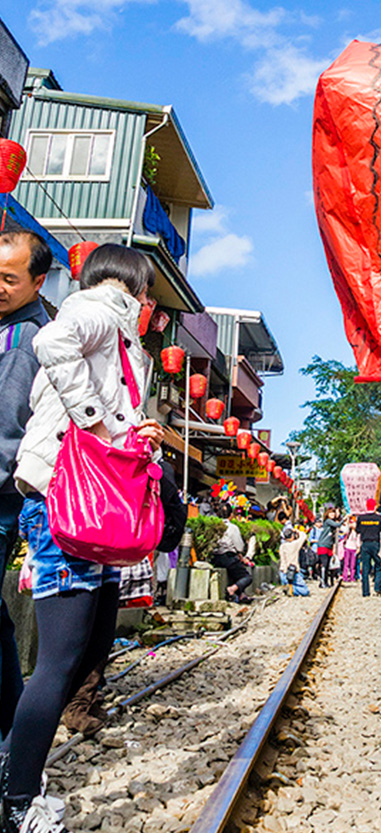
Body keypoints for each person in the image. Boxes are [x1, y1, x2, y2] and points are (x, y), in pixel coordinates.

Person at [0, 244, 165, 833]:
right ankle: (18, 805)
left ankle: (17, 780)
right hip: (63, 509)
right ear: (131, 287)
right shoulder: (100, 308)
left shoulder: (116, 335)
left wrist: (129, 426)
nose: (149, 307)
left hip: (75, 510)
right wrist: (103, 420)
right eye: (148, 295)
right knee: (57, 663)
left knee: (66, 660)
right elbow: (51, 344)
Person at [0, 231, 51, 742]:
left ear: (38, 282)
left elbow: (6, 430)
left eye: (9, 279)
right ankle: (12, 730)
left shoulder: (22, 342)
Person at [212, 503, 254, 603]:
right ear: (231, 515)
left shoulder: (213, 526)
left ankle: (241, 595)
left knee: (236, 572)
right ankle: (231, 590)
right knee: (247, 577)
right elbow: (239, 547)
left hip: (215, 557)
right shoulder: (232, 528)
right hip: (228, 557)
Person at [356, 499, 381, 597]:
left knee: (365, 568)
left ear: (366, 506)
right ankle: (377, 588)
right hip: (375, 544)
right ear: (375, 507)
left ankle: (366, 592)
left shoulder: (361, 518)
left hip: (365, 544)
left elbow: (358, 531)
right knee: (379, 565)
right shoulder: (379, 518)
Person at [316, 507, 340, 588]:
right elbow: (338, 525)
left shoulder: (331, 523)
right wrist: (346, 518)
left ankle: (325, 582)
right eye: (331, 513)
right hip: (323, 545)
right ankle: (323, 582)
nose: (332, 514)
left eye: (333, 513)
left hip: (329, 546)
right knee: (324, 564)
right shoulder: (328, 521)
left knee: (328, 566)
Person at [342, 516, 359, 582]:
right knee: (346, 564)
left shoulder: (357, 533)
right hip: (347, 548)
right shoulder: (348, 531)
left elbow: (358, 541)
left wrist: (358, 548)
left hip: (354, 549)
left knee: (353, 564)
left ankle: (352, 577)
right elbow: (345, 528)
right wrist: (347, 519)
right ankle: (345, 577)